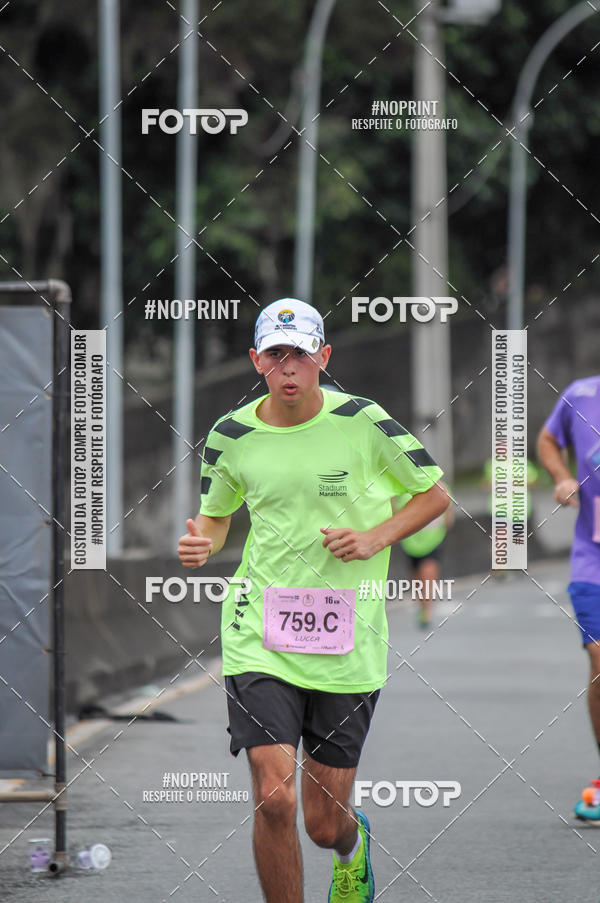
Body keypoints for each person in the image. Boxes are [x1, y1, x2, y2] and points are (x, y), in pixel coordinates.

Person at [178, 298, 449, 903]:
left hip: (346, 641)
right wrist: (202, 542)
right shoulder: (230, 435)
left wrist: (375, 537)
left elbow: (434, 496)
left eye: (300, 353)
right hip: (259, 632)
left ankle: (352, 847)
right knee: (273, 796)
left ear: (324, 357)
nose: (289, 367)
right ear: (256, 360)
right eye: (276, 354)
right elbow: (215, 517)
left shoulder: (364, 421)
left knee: (323, 824)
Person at [537, 374, 600, 822]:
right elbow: (547, 439)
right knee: (599, 656)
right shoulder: (581, 394)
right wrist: (561, 477)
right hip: (592, 558)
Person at [394, 492, 454, 627]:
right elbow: (395, 517)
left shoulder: (441, 490)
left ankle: (427, 612)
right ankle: (422, 607)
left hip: (433, 542)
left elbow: (448, 519)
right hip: (411, 545)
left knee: (428, 575)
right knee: (416, 580)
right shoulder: (404, 495)